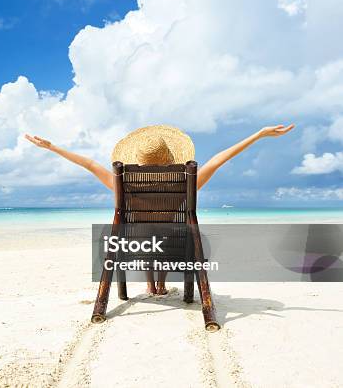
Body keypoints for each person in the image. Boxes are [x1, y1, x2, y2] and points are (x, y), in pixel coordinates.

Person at [25, 123, 294, 294]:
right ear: (170, 159)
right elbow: (217, 160)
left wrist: (52, 148)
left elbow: (88, 164)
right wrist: (257, 135)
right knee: (169, 229)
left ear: (138, 162)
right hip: (172, 243)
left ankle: (151, 284)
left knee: (145, 231)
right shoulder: (184, 181)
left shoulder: (123, 183)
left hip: (134, 244)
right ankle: (161, 284)